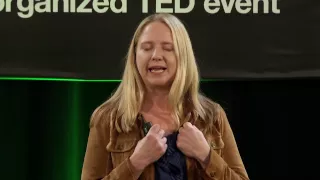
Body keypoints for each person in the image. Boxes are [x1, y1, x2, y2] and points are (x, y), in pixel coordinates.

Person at [81, 13, 249, 180]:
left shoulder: (212, 116)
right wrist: (135, 163)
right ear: (134, 56)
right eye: (146, 48)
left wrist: (206, 156)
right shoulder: (107, 119)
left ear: (183, 56)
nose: (156, 56)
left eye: (168, 48)